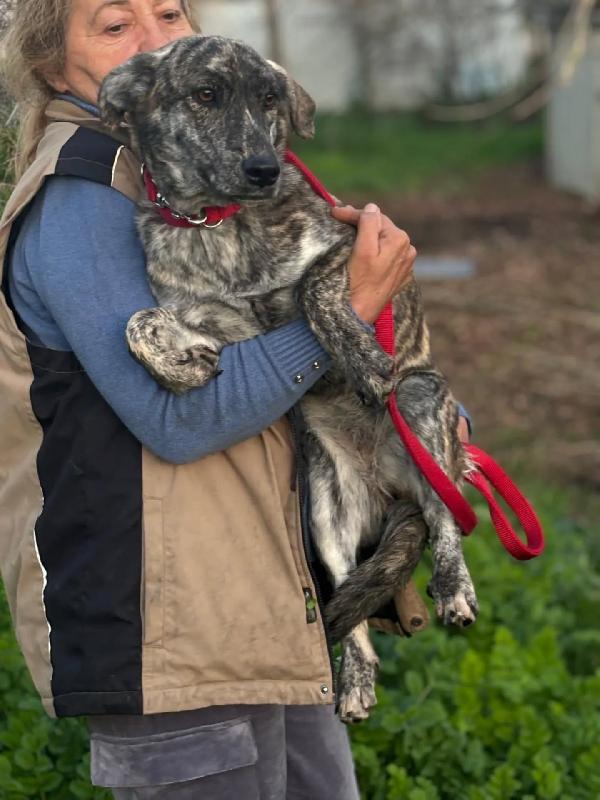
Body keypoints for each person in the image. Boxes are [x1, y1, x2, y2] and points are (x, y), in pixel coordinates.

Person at [0, 1, 469, 797]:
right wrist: (341, 317)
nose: (155, 42)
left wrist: (410, 416)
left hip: (261, 606)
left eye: (169, 13)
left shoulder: (182, 182)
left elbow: (269, 369)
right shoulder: (81, 199)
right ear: (53, 65)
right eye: (115, 26)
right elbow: (179, 421)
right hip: (170, 632)